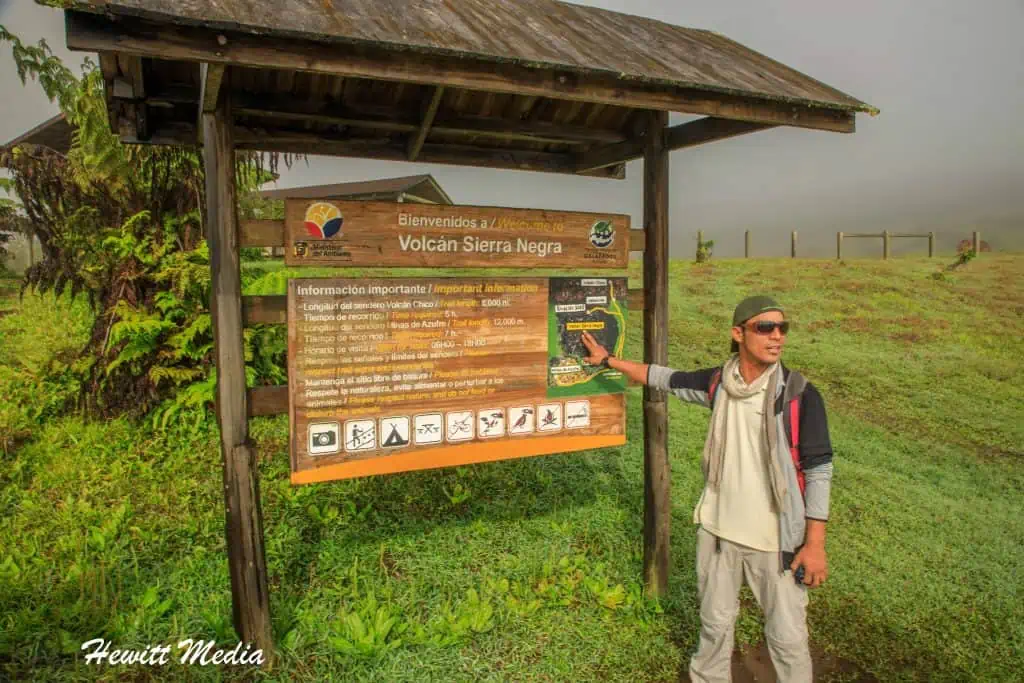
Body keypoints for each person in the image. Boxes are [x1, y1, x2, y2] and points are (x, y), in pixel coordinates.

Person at [580, 295, 833, 683]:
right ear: (738, 333)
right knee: (714, 626)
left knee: (788, 639)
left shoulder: (798, 394)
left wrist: (814, 545)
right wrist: (608, 360)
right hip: (718, 531)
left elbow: (818, 470)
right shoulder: (719, 383)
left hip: (776, 541)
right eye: (765, 327)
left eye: (783, 328)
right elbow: (662, 376)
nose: (777, 336)